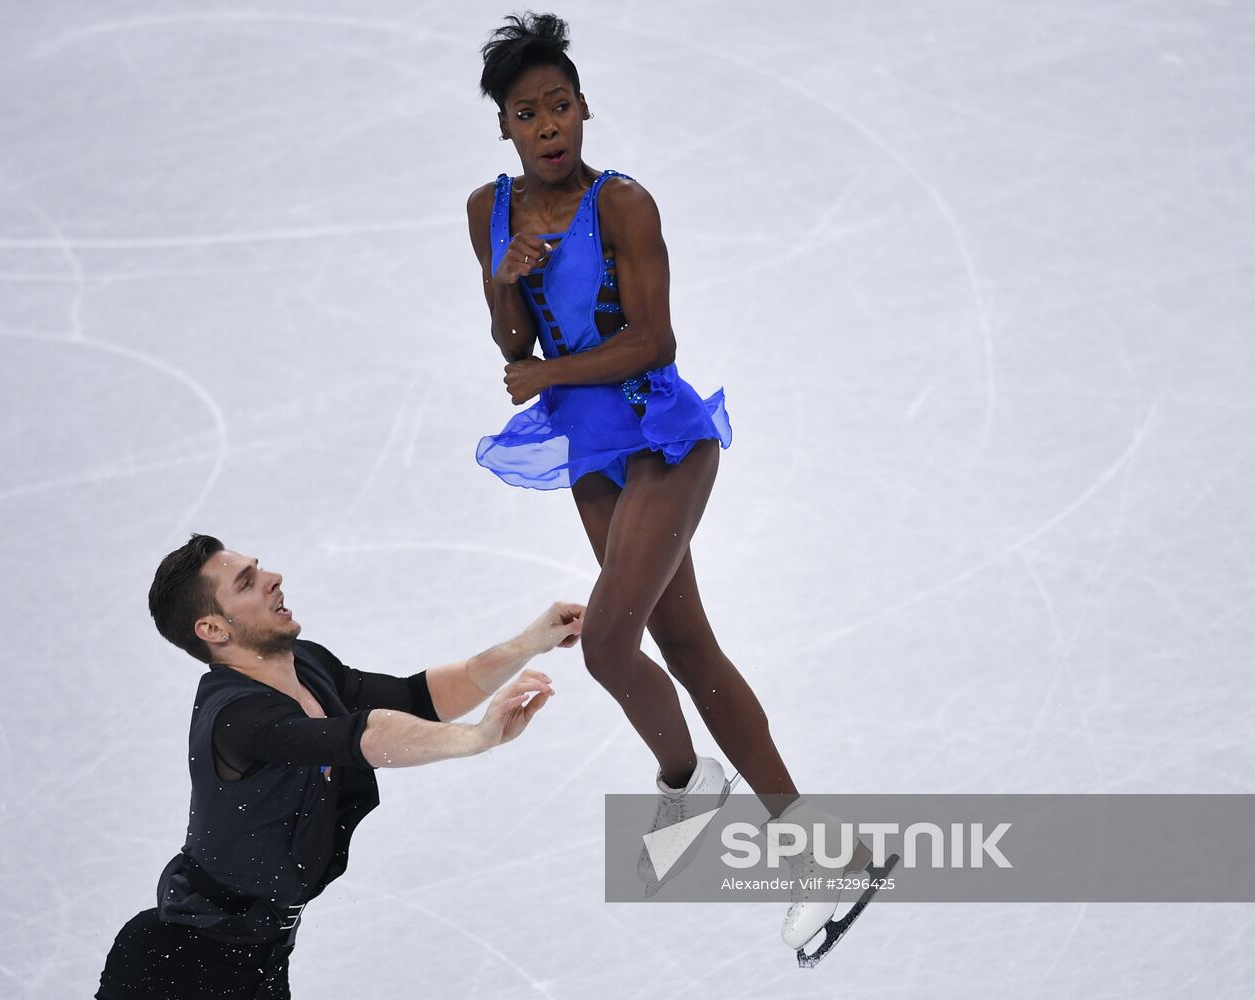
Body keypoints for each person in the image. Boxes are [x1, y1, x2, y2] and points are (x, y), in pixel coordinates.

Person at [465, 13, 893, 963]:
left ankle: (701, 783)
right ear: (504, 125)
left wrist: (545, 378)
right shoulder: (484, 212)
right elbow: (511, 345)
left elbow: (653, 343)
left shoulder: (625, 204)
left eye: (561, 107)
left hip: (660, 435)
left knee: (610, 645)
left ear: (583, 110)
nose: (548, 127)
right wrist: (505, 283)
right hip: (588, 455)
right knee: (686, 647)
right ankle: (802, 835)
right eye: (528, 112)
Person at [96, 533, 583, 998]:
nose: (273, 578)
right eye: (246, 581)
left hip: (260, 957)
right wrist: (475, 738)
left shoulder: (306, 666)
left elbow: (419, 697)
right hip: (179, 970)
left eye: (258, 568)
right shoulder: (236, 718)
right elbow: (363, 737)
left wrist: (528, 643)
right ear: (214, 629)